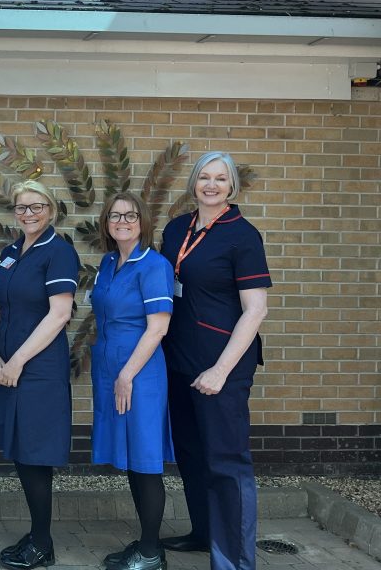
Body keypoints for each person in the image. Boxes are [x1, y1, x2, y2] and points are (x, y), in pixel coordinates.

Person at [159, 152, 270, 570]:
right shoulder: (176, 230)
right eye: (204, 177)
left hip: (222, 365)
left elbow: (255, 310)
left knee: (226, 461)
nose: (211, 185)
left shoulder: (242, 236)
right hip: (181, 360)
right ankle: (204, 533)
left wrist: (221, 370)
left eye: (220, 179)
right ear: (193, 183)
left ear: (231, 186)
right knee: (191, 453)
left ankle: (236, 560)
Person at [0, 180, 78, 570]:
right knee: (20, 453)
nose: (28, 214)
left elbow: (59, 314)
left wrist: (17, 360)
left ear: (50, 210)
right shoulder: (9, 252)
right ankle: (38, 532)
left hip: (38, 370)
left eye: (36, 207)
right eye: (21, 208)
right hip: (5, 365)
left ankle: (42, 544)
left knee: (34, 454)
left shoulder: (59, 252)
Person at [90, 192, 174, 570]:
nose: (122, 221)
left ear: (143, 221)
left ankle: (153, 552)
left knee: (145, 460)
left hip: (139, 373)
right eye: (115, 215)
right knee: (131, 461)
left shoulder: (154, 265)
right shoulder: (108, 263)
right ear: (106, 223)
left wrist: (126, 375)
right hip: (110, 368)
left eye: (130, 215)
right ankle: (145, 542)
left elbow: (158, 328)